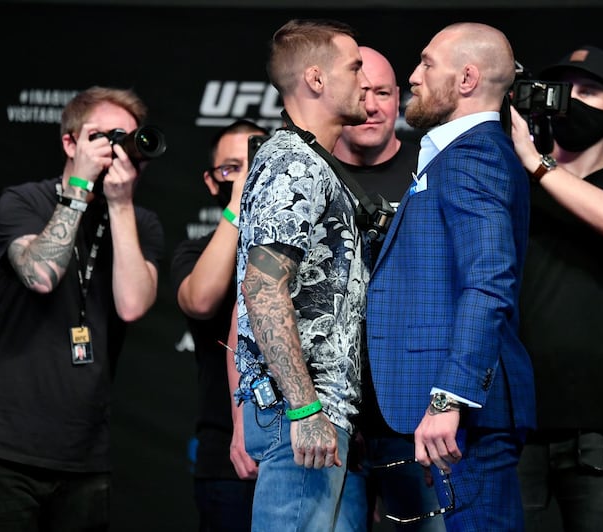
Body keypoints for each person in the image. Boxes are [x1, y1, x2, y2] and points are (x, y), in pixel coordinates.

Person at [365, 22, 536, 531]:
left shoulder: (474, 155)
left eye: (426, 64)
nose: (413, 77)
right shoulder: (456, 156)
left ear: (466, 78)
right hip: (446, 418)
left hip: (463, 421)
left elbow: (489, 282)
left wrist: (449, 397)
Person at [0, 86, 164, 531]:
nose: (114, 149)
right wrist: (80, 186)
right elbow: (40, 275)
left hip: (85, 452)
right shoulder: (23, 201)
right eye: (103, 137)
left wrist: (120, 206)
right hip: (4, 447)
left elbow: (134, 305)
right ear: (70, 143)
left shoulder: (141, 223)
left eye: (125, 138)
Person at [507, 45, 603, 532]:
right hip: (513, 420)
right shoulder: (511, 181)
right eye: (563, 89)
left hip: (601, 423)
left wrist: (536, 162)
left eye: (589, 91)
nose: (572, 101)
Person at [225, 18, 370, 531]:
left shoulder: (314, 160)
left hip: (321, 410)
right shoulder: (293, 161)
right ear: (315, 78)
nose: (366, 80)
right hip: (302, 413)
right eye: (354, 67)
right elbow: (262, 288)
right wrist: (305, 409)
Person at [332, 46, 442, 532]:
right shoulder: (310, 176)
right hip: (330, 411)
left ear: (399, 99)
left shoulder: (433, 169)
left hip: (413, 415)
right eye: (361, 94)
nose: (373, 106)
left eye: (384, 93)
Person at [171, 119, 268, 532]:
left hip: (305, 443)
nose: (244, 176)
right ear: (212, 183)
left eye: (253, 164)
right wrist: (240, 199)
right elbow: (202, 298)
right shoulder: (194, 251)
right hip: (229, 456)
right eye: (231, 169)